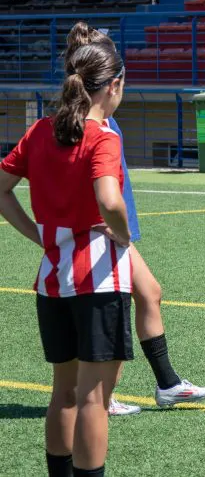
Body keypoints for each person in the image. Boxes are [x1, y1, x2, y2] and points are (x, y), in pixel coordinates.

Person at [60, 23, 205, 416]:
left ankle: (162, 384)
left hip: (115, 233)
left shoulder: (105, 122)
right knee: (124, 306)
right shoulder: (89, 126)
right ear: (108, 80)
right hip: (103, 234)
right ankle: (110, 396)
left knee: (148, 293)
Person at [0, 41, 130, 477]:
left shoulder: (40, 130)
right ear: (113, 86)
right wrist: (123, 234)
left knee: (63, 393)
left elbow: (1, 188)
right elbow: (110, 199)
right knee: (94, 397)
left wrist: (38, 234)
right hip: (97, 280)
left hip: (52, 280)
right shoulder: (103, 135)